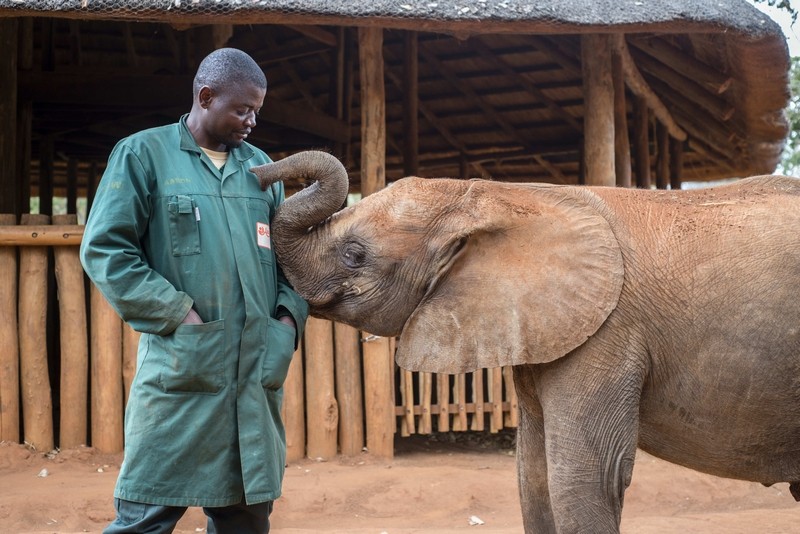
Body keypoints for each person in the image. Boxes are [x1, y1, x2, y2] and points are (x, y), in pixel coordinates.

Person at [80, 47, 309, 534]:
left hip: (253, 375)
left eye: (257, 111)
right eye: (242, 109)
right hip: (183, 372)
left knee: (246, 517)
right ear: (206, 97)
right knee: (146, 514)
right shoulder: (143, 154)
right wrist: (178, 314)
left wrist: (287, 322)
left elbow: (292, 259)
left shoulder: (262, 170)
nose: (251, 121)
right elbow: (106, 250)